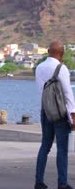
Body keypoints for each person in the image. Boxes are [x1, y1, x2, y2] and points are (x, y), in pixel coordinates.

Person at [34, 41, 75, 189]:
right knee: (62, 149)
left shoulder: (39, 67)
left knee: (45, 146)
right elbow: (67, 93)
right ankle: (62, 184)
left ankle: (39, 181)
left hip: (45, 111)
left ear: (47, 51)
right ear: (62, 53)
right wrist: (73, 115)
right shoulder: (61, 68)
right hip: (60, 113)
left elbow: (41, 91)